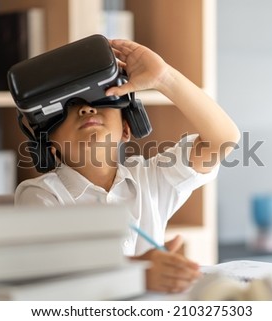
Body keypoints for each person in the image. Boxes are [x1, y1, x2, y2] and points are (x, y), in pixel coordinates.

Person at [15, 38, 240, 293]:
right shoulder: (40, 195)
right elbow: (52, 274)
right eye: (70, 107)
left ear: (126, 128)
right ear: (49, 145)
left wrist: (165, 78)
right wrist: (139, 274)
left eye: (100, 101)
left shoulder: (152, 179)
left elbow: (223, 140)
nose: (87, 109)